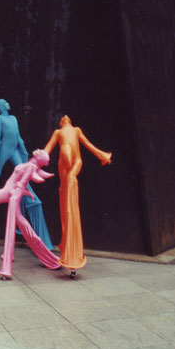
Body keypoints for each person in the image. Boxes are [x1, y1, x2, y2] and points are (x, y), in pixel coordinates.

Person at [0, 150, 61, 279]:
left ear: (39, 158)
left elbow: (21, 183)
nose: (39, 151)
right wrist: (25, 192)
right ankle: (49, 258)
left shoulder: (31, 166)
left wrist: (18, 194)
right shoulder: (30, 166)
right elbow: (21, 183)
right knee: (23, 224)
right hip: (10, 192)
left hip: (11, 194)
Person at [44, 115, 112, 277]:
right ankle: (68, 244)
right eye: (63, 118)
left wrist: (101, 155)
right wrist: (35, 161)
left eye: (66, 118)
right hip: (66, 163)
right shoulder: (58, 132)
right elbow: (47, 150)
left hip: (75, 162)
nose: (65, 118)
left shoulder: (75, 130)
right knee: (67, 186)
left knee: (69, 184)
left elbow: (88, 145)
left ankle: (71, 248)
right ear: (62, 123)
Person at [0, 99, 54, 250]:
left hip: (14, 150)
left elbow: (17, 136)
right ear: (1, 106)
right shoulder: (0, 119)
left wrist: (24, 151)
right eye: (5, 103)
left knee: (24, 177)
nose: (8, 103)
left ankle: (43, 242)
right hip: (3, 152)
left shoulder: (13, 118)